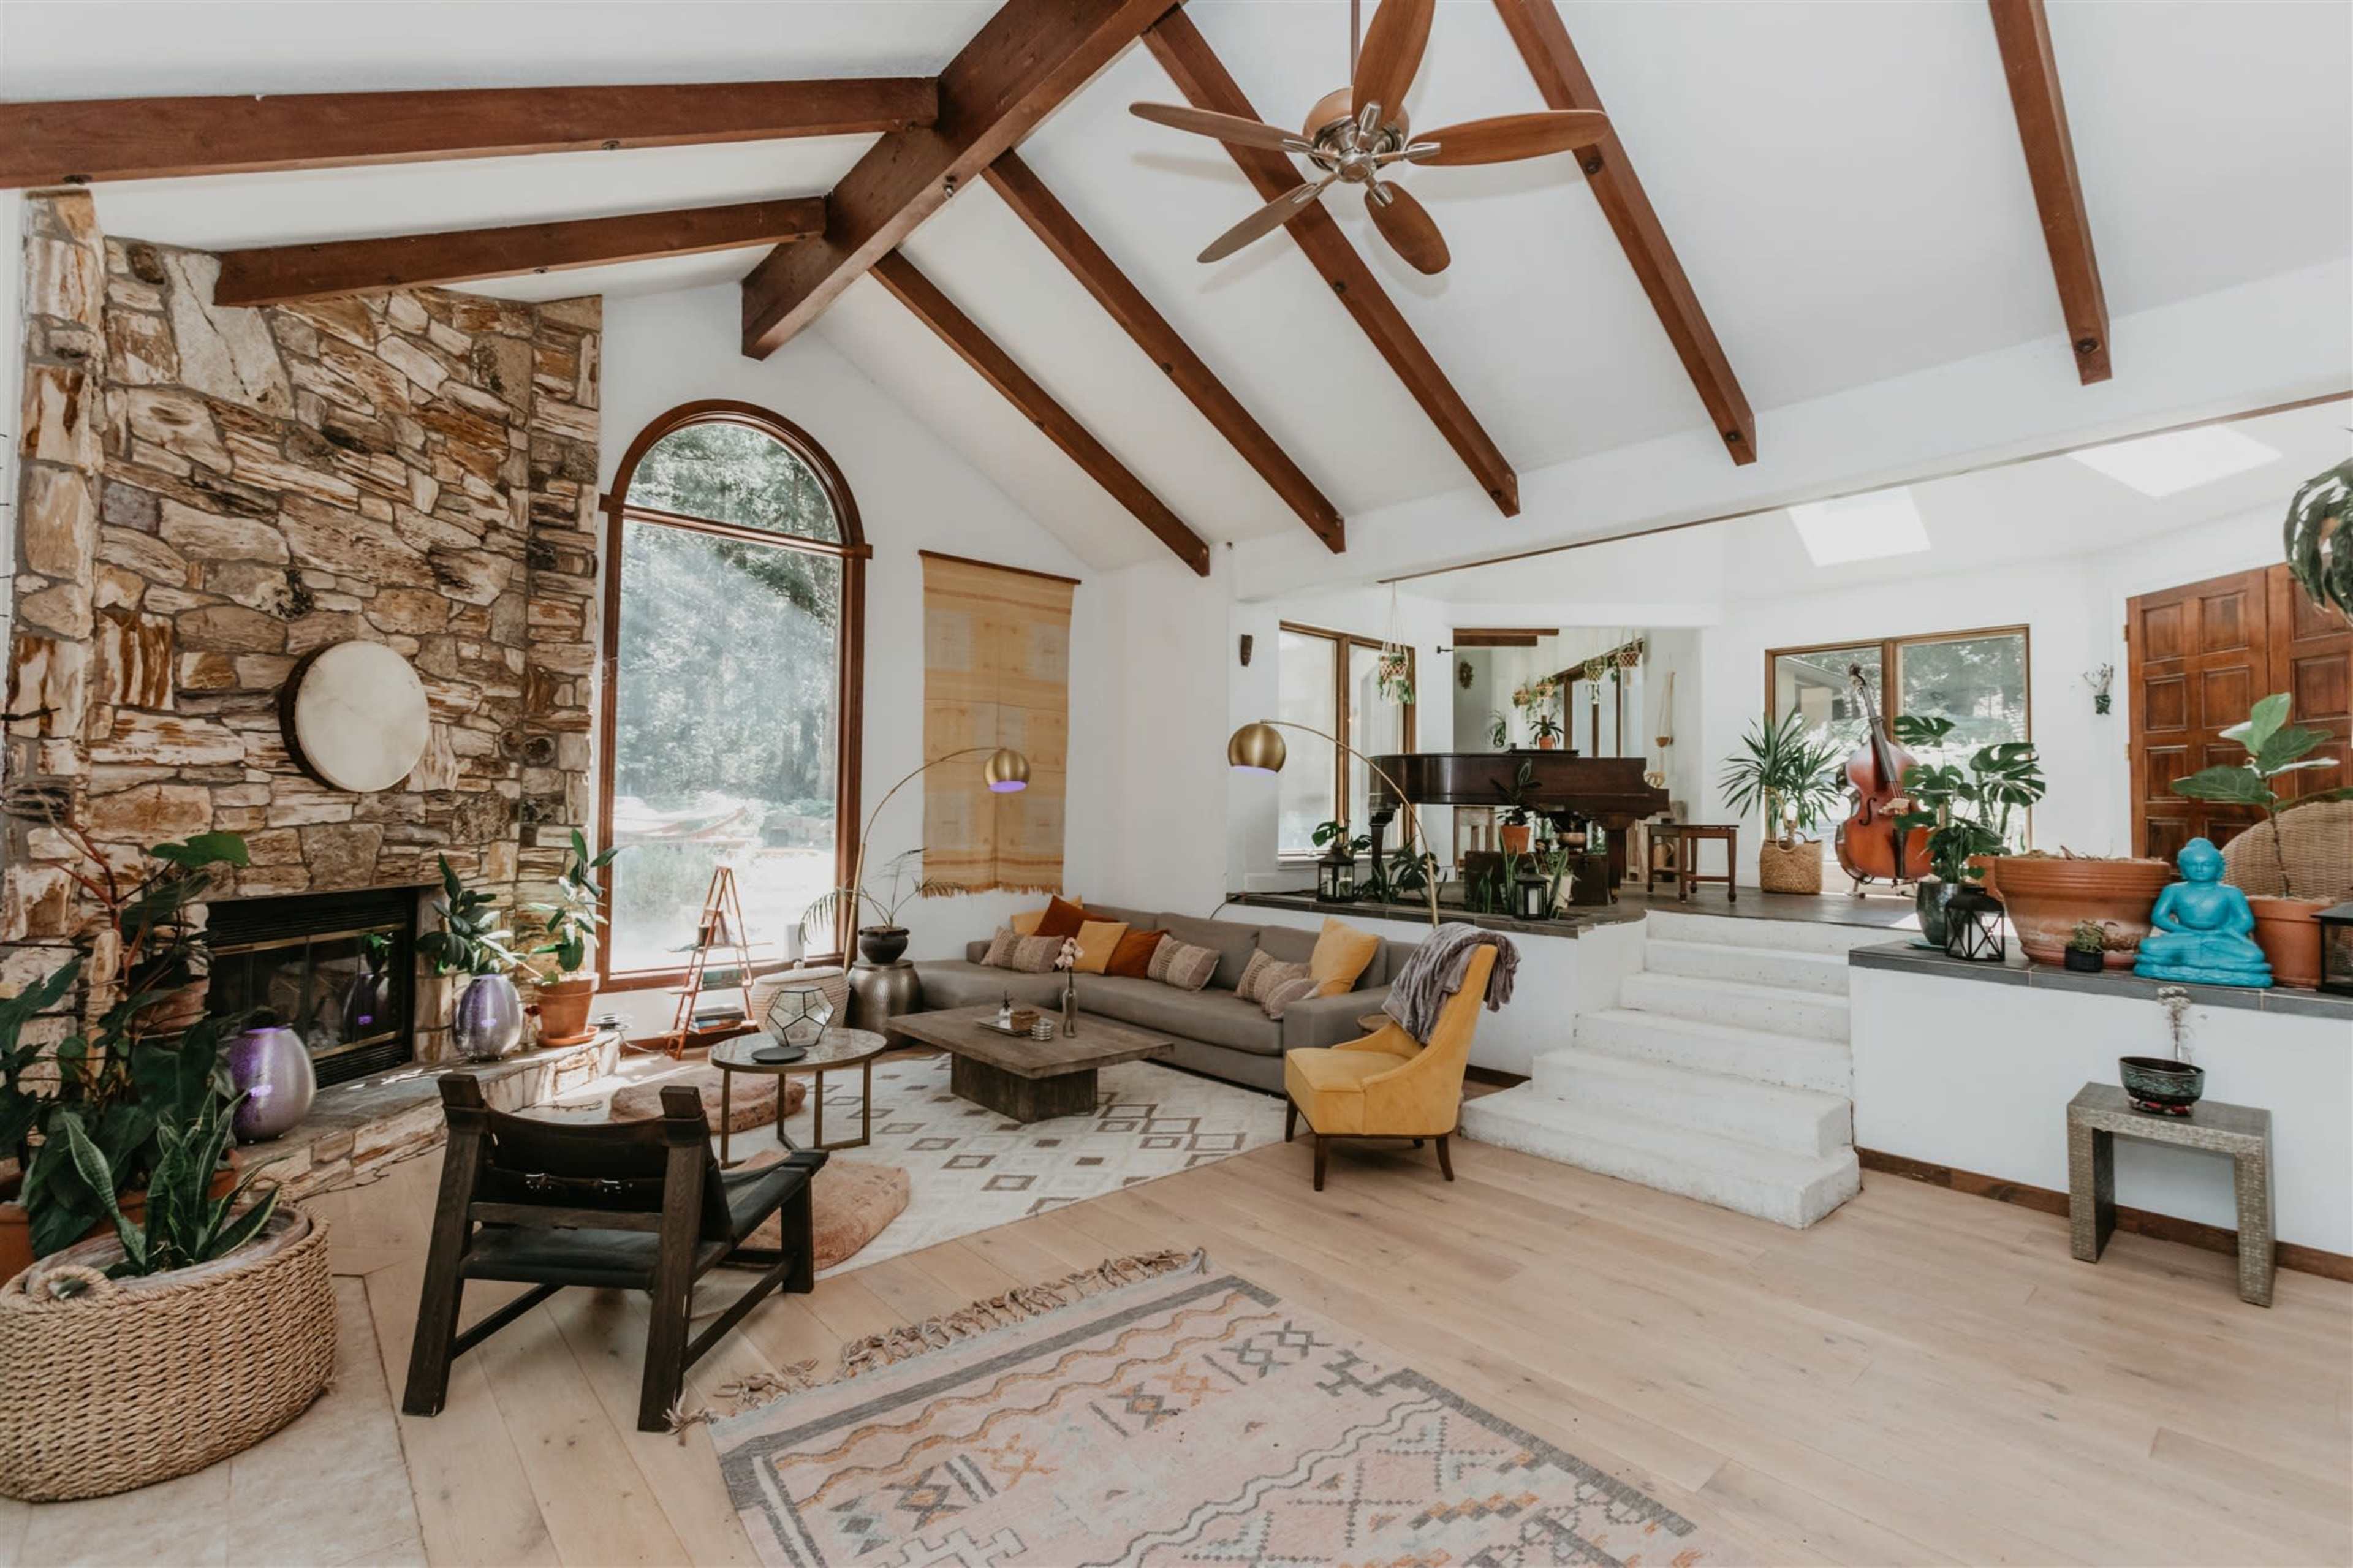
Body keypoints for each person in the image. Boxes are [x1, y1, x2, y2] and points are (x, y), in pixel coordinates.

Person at [2133, 837, 2271, 987]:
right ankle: (2212, 965)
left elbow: (2245, 921)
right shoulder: (2173, 890)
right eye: (2193, 864)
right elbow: (2159, 917)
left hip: (2220, 939)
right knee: (2150, 947)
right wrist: (2183, 931)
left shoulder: (2231, 893)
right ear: (2182, 868)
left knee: (2253, 956)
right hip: (2186, 938)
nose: (2200, 869)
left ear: (2219, 868)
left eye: (2207, 864)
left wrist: (2220, 933)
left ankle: (2189, 963)